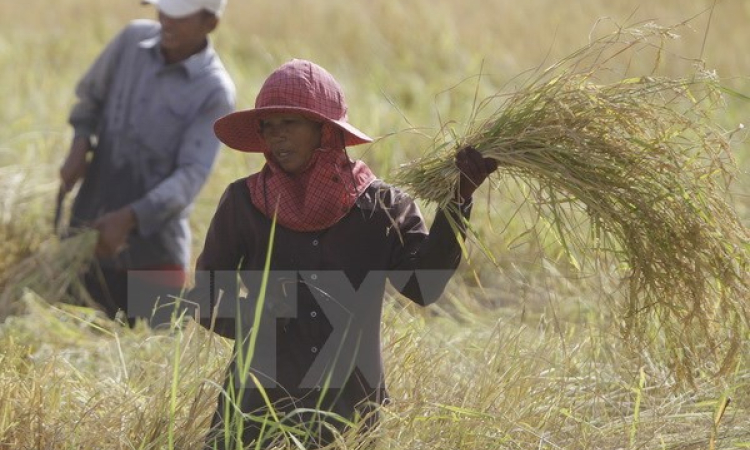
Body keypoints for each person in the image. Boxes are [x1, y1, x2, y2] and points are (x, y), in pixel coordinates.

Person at [191, 59, 497, 449]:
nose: (277, 137)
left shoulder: (382, 206)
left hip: (347, 415)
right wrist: (258, 319)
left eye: (290, 124)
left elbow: (423, 287)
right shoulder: (243, 202)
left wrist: (458, 200)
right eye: (268, 127)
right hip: (256, 411)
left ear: (325, 130)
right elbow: (205, 298)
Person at [58, 0, 235, 326]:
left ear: (210, 23)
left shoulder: (214, 90)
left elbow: (190, 176)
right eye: (163, 11)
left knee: (145, 355)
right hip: (88, 239)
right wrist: (79, 144)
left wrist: (130, 217)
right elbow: (90, 98)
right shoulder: (131, 42)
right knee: (65, 336)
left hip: (154, 258)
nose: (166, 21)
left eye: (179, 16)